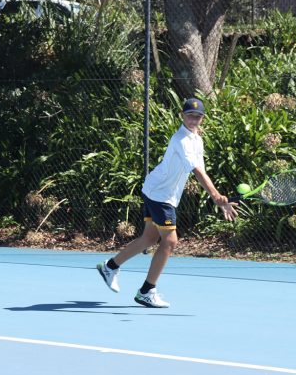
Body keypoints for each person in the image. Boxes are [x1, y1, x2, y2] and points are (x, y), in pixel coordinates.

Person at [96, 97, 238, 308]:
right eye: (190, 115)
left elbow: (202, 169)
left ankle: (110, 266)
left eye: (198, 117)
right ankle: (147, 291)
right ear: (182, 115)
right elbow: (197, 171)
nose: (193, 119)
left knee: (150, 237)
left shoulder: (197, 140)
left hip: (159, 191)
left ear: (203, 119)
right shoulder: (181, 140)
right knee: (170, 241)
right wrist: (216, 197)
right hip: (161, 195)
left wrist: (218, 197)